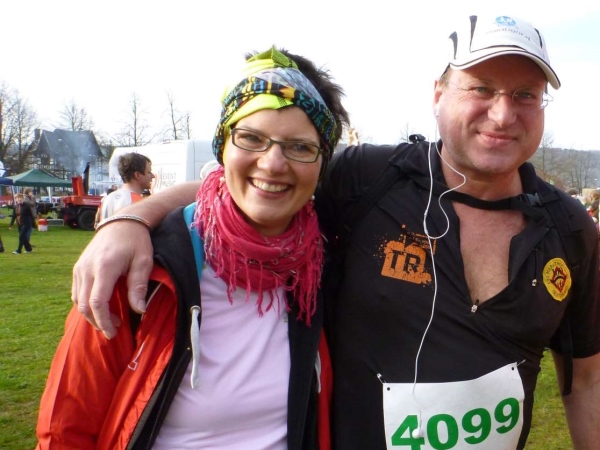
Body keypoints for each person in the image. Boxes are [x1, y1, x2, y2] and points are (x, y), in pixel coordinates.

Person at [70, 15, 600, 450]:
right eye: (481, 88)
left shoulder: (571, 228)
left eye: (525, 94)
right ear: (438, 94)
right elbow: (256, 182)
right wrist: (132, 218)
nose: (503, 114)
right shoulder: (368, 178)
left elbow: (587, 380)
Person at [37, 46, 350, 449]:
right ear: (223, 147)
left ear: (322, 163)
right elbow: (65, 430)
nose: (273, 164)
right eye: (251, 138)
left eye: (300, 147)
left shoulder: (324, 262)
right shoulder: (142, 267)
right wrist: (129, 220)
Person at [93, 152, 155, 228]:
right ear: (137, 175)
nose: (153, 176)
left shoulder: (107, 199)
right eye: (149, 172)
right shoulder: (138, 202)